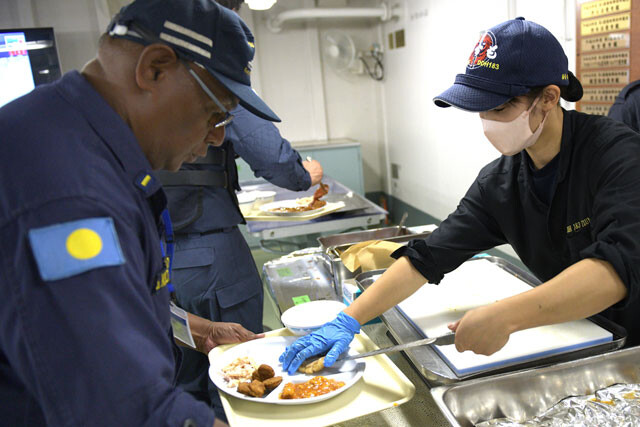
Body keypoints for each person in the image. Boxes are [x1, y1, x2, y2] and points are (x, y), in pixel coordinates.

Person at [280, 17, 640, 375]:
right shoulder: (500, 184)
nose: (489, 121)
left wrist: (507, 315)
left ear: (548, 98)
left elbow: (617, 269)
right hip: (578, 335)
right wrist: (348, 320)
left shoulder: (616, 155)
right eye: (481, 108)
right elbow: (428, 256)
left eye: (499, 108)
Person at [0, 0, 279, 425]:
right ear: (155, 69)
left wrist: (199, 329)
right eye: (215, 113)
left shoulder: (88, 145)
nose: (218, 138)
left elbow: (116, 299)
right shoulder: (68, 196)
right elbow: (123, 411)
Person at [159, 0, 322, 418]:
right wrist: (305, 173)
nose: (212, 140)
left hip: (165, 261)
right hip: (213, 258)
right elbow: (271, 154)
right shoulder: (207, 80)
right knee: (238, 379)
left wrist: (203, 329)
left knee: (188, 376)